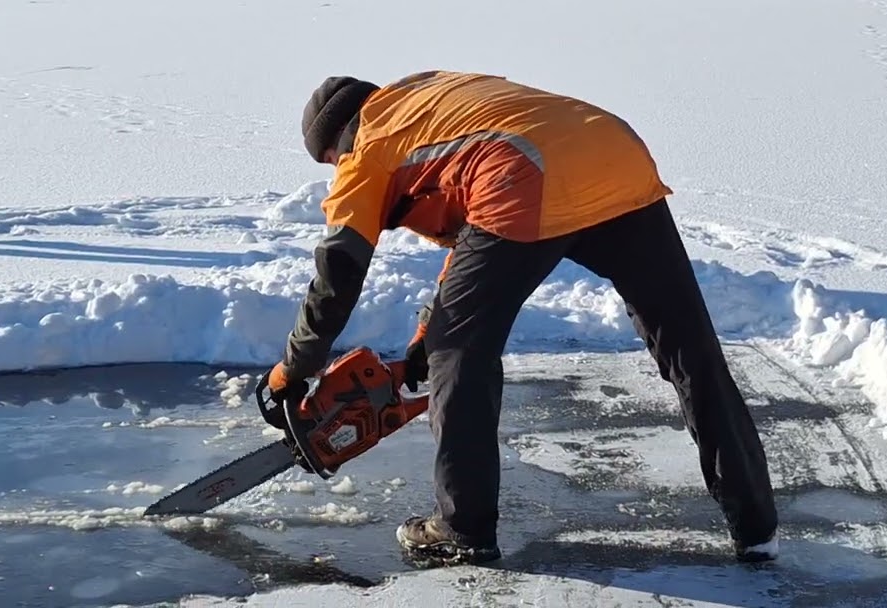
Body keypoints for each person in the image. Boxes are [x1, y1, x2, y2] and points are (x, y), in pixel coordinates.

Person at [264, 70, 779, 566]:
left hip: (523, 173)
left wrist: (294, 366)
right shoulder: (428, 96)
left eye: (330, 161)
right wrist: (430, 323)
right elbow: (475, 226)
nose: (335, 170)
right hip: (616, 153)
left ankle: (462, 529)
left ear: (333, 145)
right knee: (690, 349)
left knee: (459, 355)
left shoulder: (366, 148)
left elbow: (337, 275)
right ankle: (756, 527)